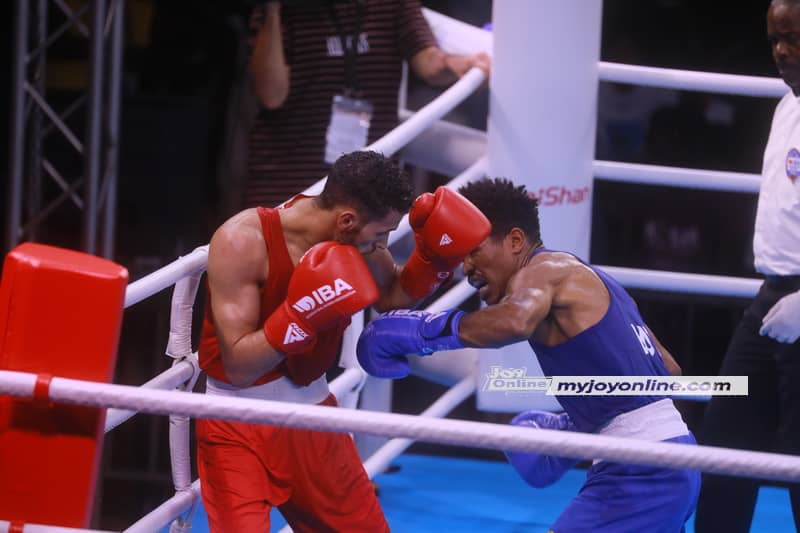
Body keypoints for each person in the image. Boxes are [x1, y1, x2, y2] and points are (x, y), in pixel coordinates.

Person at [356, 177, 700, 532]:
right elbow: (669, 371)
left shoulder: (542, 272)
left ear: (515, 241)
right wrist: (581, 425)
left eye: (474, 251)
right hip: (670, 457)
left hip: (640, 472)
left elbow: (516, 320)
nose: (466, 268)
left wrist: (421, 332)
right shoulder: (594, 279)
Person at [195, 150, 490, 532]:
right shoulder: (243, 242)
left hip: (313, 415)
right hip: (237, 425)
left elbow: (391, 297)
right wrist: (300, 315)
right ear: (347, 221)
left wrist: (433, 263)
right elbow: (237, 366)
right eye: (380, 234)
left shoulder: (354, 240)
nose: (383, 244)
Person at [694, 1, 800, 530]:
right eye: (775, 39)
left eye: (794, 38)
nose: (782, 51)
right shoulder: (788, 105)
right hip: (772, 298)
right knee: (725, 445)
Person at [244, 0, 491, 208]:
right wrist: (273, 10)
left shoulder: (392, 3)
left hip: (367, 182)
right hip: (289, 177)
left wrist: (456, 64)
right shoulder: (281, 10)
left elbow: (428, 61)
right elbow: (271, 95)